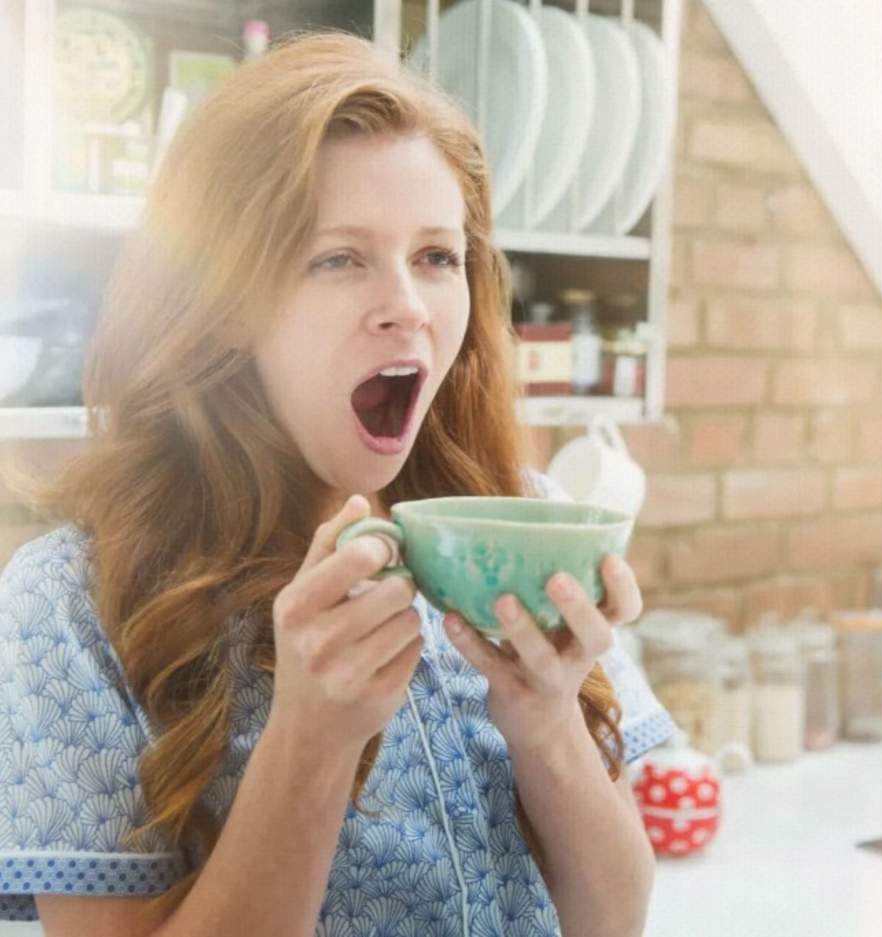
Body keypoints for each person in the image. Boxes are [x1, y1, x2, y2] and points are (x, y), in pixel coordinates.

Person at [0, 32, 675, 937]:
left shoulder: (525, 523)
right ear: (229, 303)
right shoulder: (70, 605)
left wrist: (545, 715)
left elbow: (614, 918)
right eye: (339, 258)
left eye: (437, 257)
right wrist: (310, 744)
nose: (409, 304)